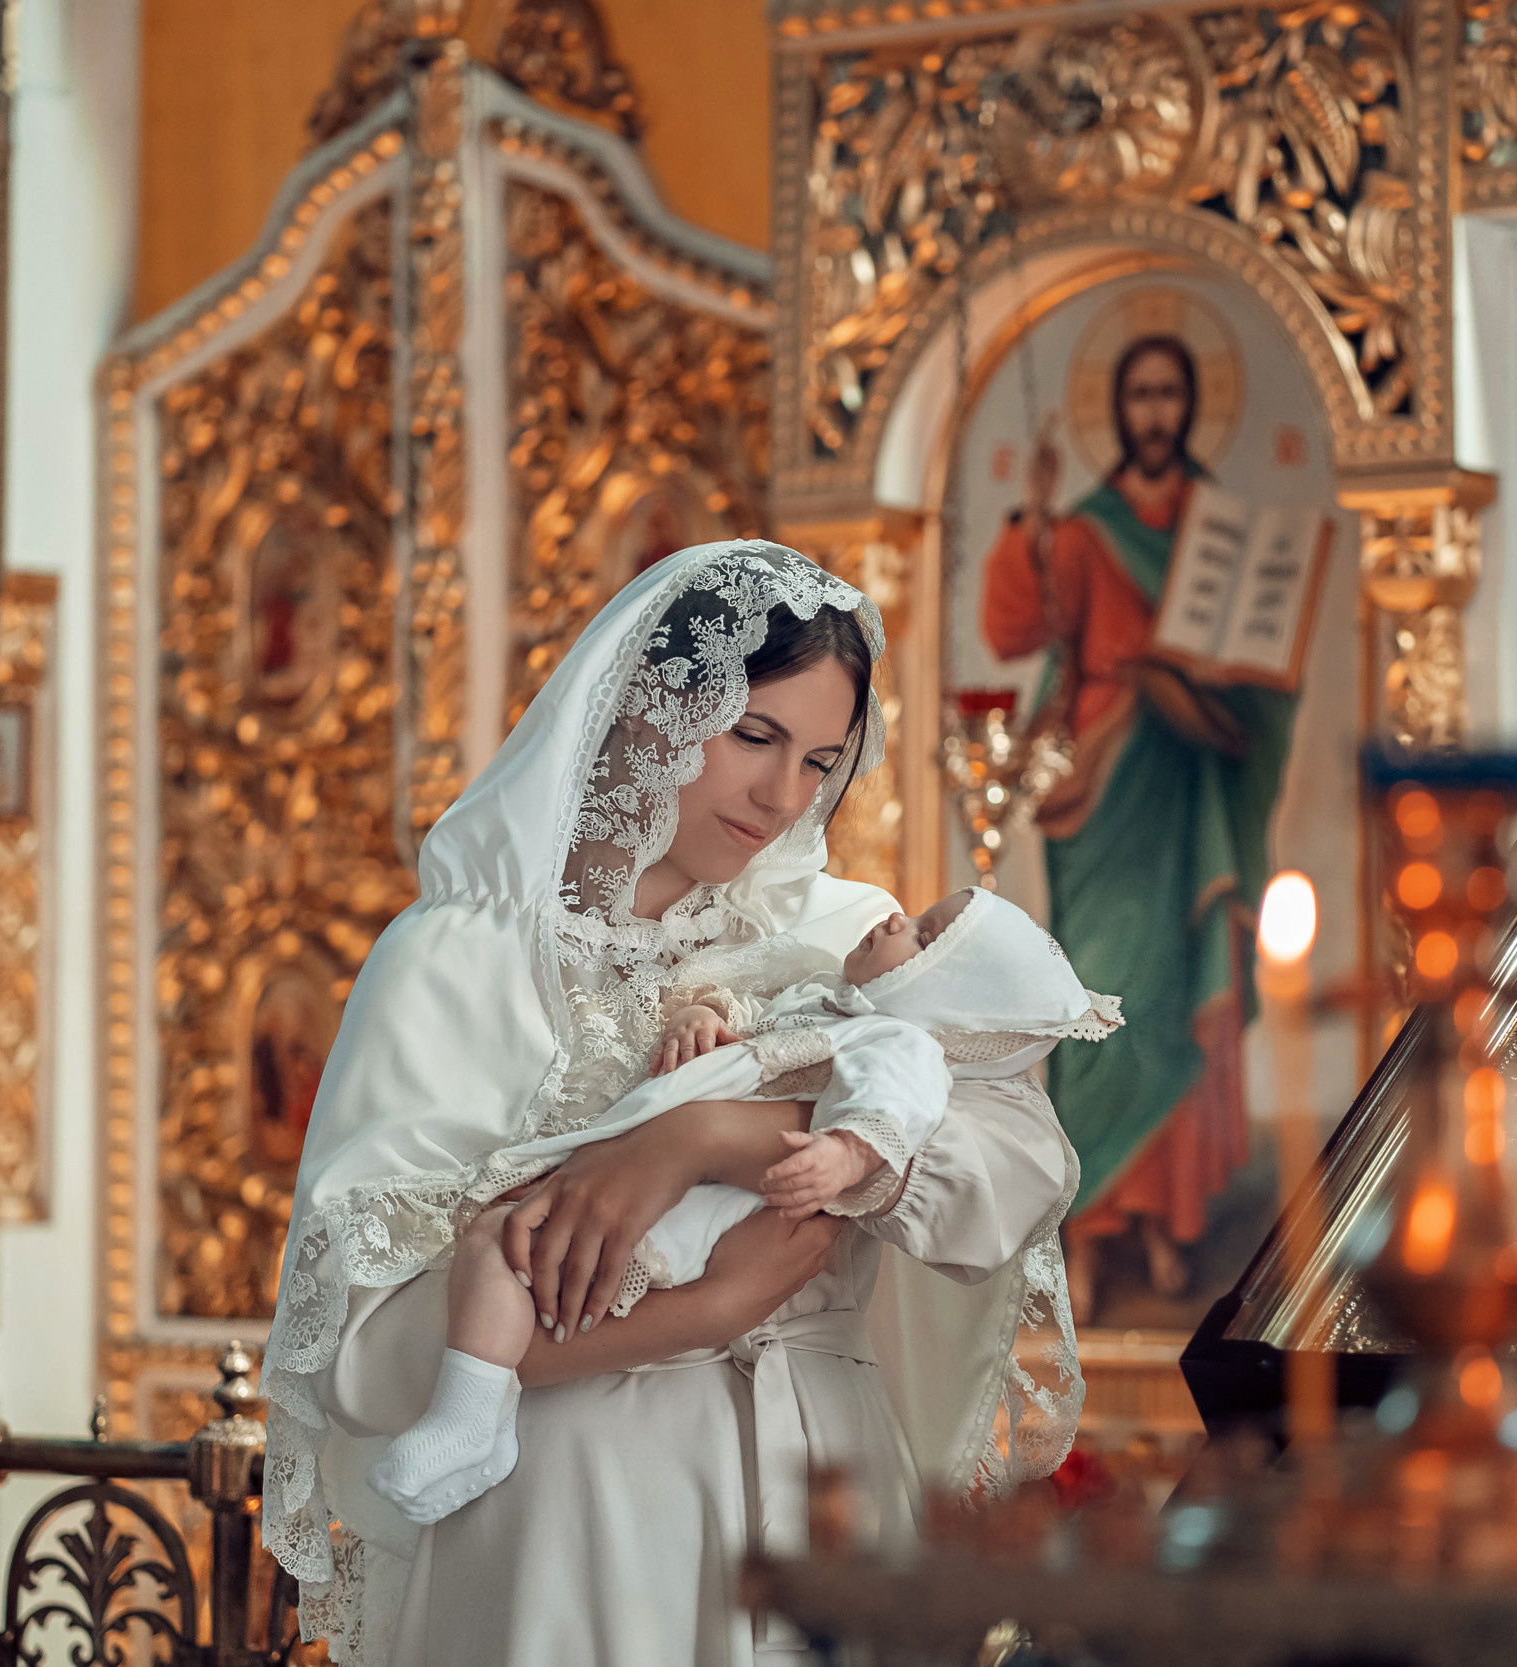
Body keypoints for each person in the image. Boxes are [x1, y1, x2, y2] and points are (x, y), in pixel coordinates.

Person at [262, 543, 1083, 1667]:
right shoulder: (458, 957)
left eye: (819, 759)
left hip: (826, 1488)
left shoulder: (853, 936)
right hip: (574, 1513)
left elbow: (1021, 1167)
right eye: (752, 736)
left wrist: (709, 1134)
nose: (781, 794)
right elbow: (356, 1351)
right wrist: (695, 1315)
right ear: (646, 708)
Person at [367, 885, 1119, 1527]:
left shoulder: (898, 1039)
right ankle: (474, 1409)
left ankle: (472, 1409)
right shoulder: (821, 999)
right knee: (501, 1244)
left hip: (720, 1247)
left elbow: (901, 1115)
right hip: (583, 1470)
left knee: (516, 1251)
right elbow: (746, 1031)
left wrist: (833, 1152)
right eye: (755, 735)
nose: (897, 920)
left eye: (925, 936)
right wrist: (699, 1024)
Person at [979, 334, 1294, 1319]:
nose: (1155, 410)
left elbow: (1257, 669)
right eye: (1141, 392)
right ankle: (1090, 1227)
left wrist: (1209, 691)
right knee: (1103, 996)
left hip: (1186, 774)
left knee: (1170, 1001)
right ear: (1118, 409)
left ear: (1190, 404)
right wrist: (1029, 518)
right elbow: (1014, 631)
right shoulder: (1083, 531)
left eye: (1170, 392)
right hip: (1105, 786)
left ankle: (1161, 1221)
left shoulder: (1226, 535)